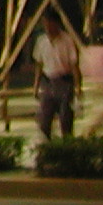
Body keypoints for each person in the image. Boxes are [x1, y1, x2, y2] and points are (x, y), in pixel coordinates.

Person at [32, 12, 82, 140]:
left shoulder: (67, 40)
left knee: (66, 119)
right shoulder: (41, 41)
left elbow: (74, 65)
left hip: (64, 82)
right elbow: (39, 65)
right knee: (44, 120)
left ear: (56, 24)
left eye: (49, 23)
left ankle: (66, 148)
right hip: (48, 82)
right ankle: (47, 148)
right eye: (45, 24)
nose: (47, 27)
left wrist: (77, 87)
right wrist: (36, 86)